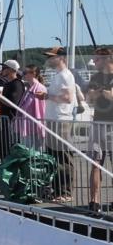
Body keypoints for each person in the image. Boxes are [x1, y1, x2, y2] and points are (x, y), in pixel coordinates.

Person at [36, 47, 76, 202]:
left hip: (61, 120)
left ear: (61, 58)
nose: (49, 59)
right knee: (53, 156)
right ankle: (57, 189)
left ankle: (65, 191)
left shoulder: (66, 76)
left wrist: (47, 95)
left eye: (52, 57)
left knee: (63, 156)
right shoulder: (58, 75)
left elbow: (67, 98)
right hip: (53, 119)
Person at [86, 48, 113, 216]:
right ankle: (94, 201)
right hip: (98, 124)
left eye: (97, 60)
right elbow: (89, 97)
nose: (95, 62)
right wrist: (99, 93)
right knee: (95, 164)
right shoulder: (95, 77)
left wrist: (102, 92)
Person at [0, 59, 26, 162]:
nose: (2, 70)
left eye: (4, 68)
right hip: (5, 120)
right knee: (3, 148)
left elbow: (13, 104)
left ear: (11, 70)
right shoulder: (8, 84)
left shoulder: (17, 84)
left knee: (9, 147)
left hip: (11, 120)